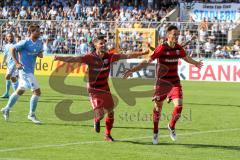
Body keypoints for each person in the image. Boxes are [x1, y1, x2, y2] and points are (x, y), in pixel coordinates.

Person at [54, 35, 149, 142]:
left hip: (105, 87)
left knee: (111, 112)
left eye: (105, 43)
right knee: (100, 115)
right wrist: (60, 58)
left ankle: (107, 135)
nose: (104, 45)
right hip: (93, 89)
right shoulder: (90, 57)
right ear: (95, 45)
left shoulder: (110, 56)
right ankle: (96, 119)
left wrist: (142, 53)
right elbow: (74, 59)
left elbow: (126, 55)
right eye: (101, 43)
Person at [123, 25, 203, 144]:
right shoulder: (161, 48)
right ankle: (155, 132)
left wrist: (196, 63)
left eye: (177, 34)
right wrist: (132, 70)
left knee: (179, 106)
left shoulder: (178, 48)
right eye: (174, 34)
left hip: (174, 82)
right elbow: (146, 61)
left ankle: (171, 126)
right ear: (168, 35)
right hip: (162, 83)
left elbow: (186, 57)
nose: (176, 36)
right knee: (158, 108)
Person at [1, 24, 43, 124]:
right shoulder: (25, 42)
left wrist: (39, 54)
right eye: (37, 31)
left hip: (30, 70)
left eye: (39, 31)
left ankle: (6, 108)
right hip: (25, 71)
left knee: (20, 91)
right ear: (31, 32)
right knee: (37, 92)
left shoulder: (39, 42)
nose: (39, 32)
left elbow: (40, 53)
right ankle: (31, 114)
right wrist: (17, 62)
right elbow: (12, 49)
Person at [1, 33, 20, 98]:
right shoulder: (6, 46)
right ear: (7, 37)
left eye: (11, 36)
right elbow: (5, 55)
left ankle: (15, 92)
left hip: (14, 63)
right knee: (12, 78)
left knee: (7, 76)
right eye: (9, 36)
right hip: (9, 64)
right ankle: (9, 93)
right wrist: (3, 62)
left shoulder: (16, 44)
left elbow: (19, 54)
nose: (10, 37)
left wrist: (18, 62)